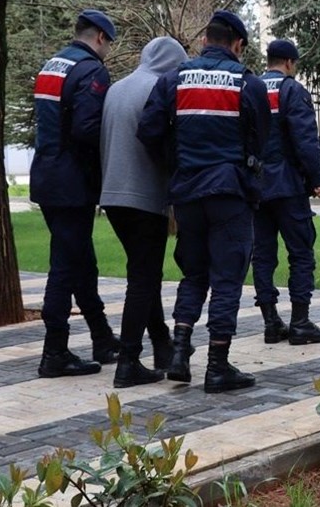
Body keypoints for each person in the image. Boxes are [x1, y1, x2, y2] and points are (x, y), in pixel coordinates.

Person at [137, 10, 270, 393]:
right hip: (229, 192)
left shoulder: (173, 79)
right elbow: (260, 141)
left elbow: (148, 130)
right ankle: (217, 365)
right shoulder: (246, 82)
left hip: (189, 194)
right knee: (227, 278)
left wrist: (177, 161)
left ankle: (179, 353)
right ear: (238, 44)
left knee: (194, 274)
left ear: (204, 41)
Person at [30, 9, 121, 378]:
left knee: (81, 261)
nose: (107, 52)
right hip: (72, 181)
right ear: (100, 37)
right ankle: (54, 351)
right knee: (66, 266)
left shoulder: (53, 65)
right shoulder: (91, 70)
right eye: (108, 44)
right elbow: (87, 128)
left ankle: (102, 337)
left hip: (49, 175)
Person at [100, 36, 189, 388]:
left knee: (144, 272)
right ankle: (129, 361)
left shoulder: (118, 87)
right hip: (143, 196)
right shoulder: (159, 87)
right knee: (142, 279)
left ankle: (162, 346)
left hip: (113, 195)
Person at [251, 39, 320, 345]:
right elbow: (305, 139)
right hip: (287, 186)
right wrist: (316, 179)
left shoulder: (251, 88)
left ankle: (271, 323)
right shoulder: (292, 90)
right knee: (300, 252)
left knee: (262, 256)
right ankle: (300, 322)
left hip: (256, 187)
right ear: (288, 62)